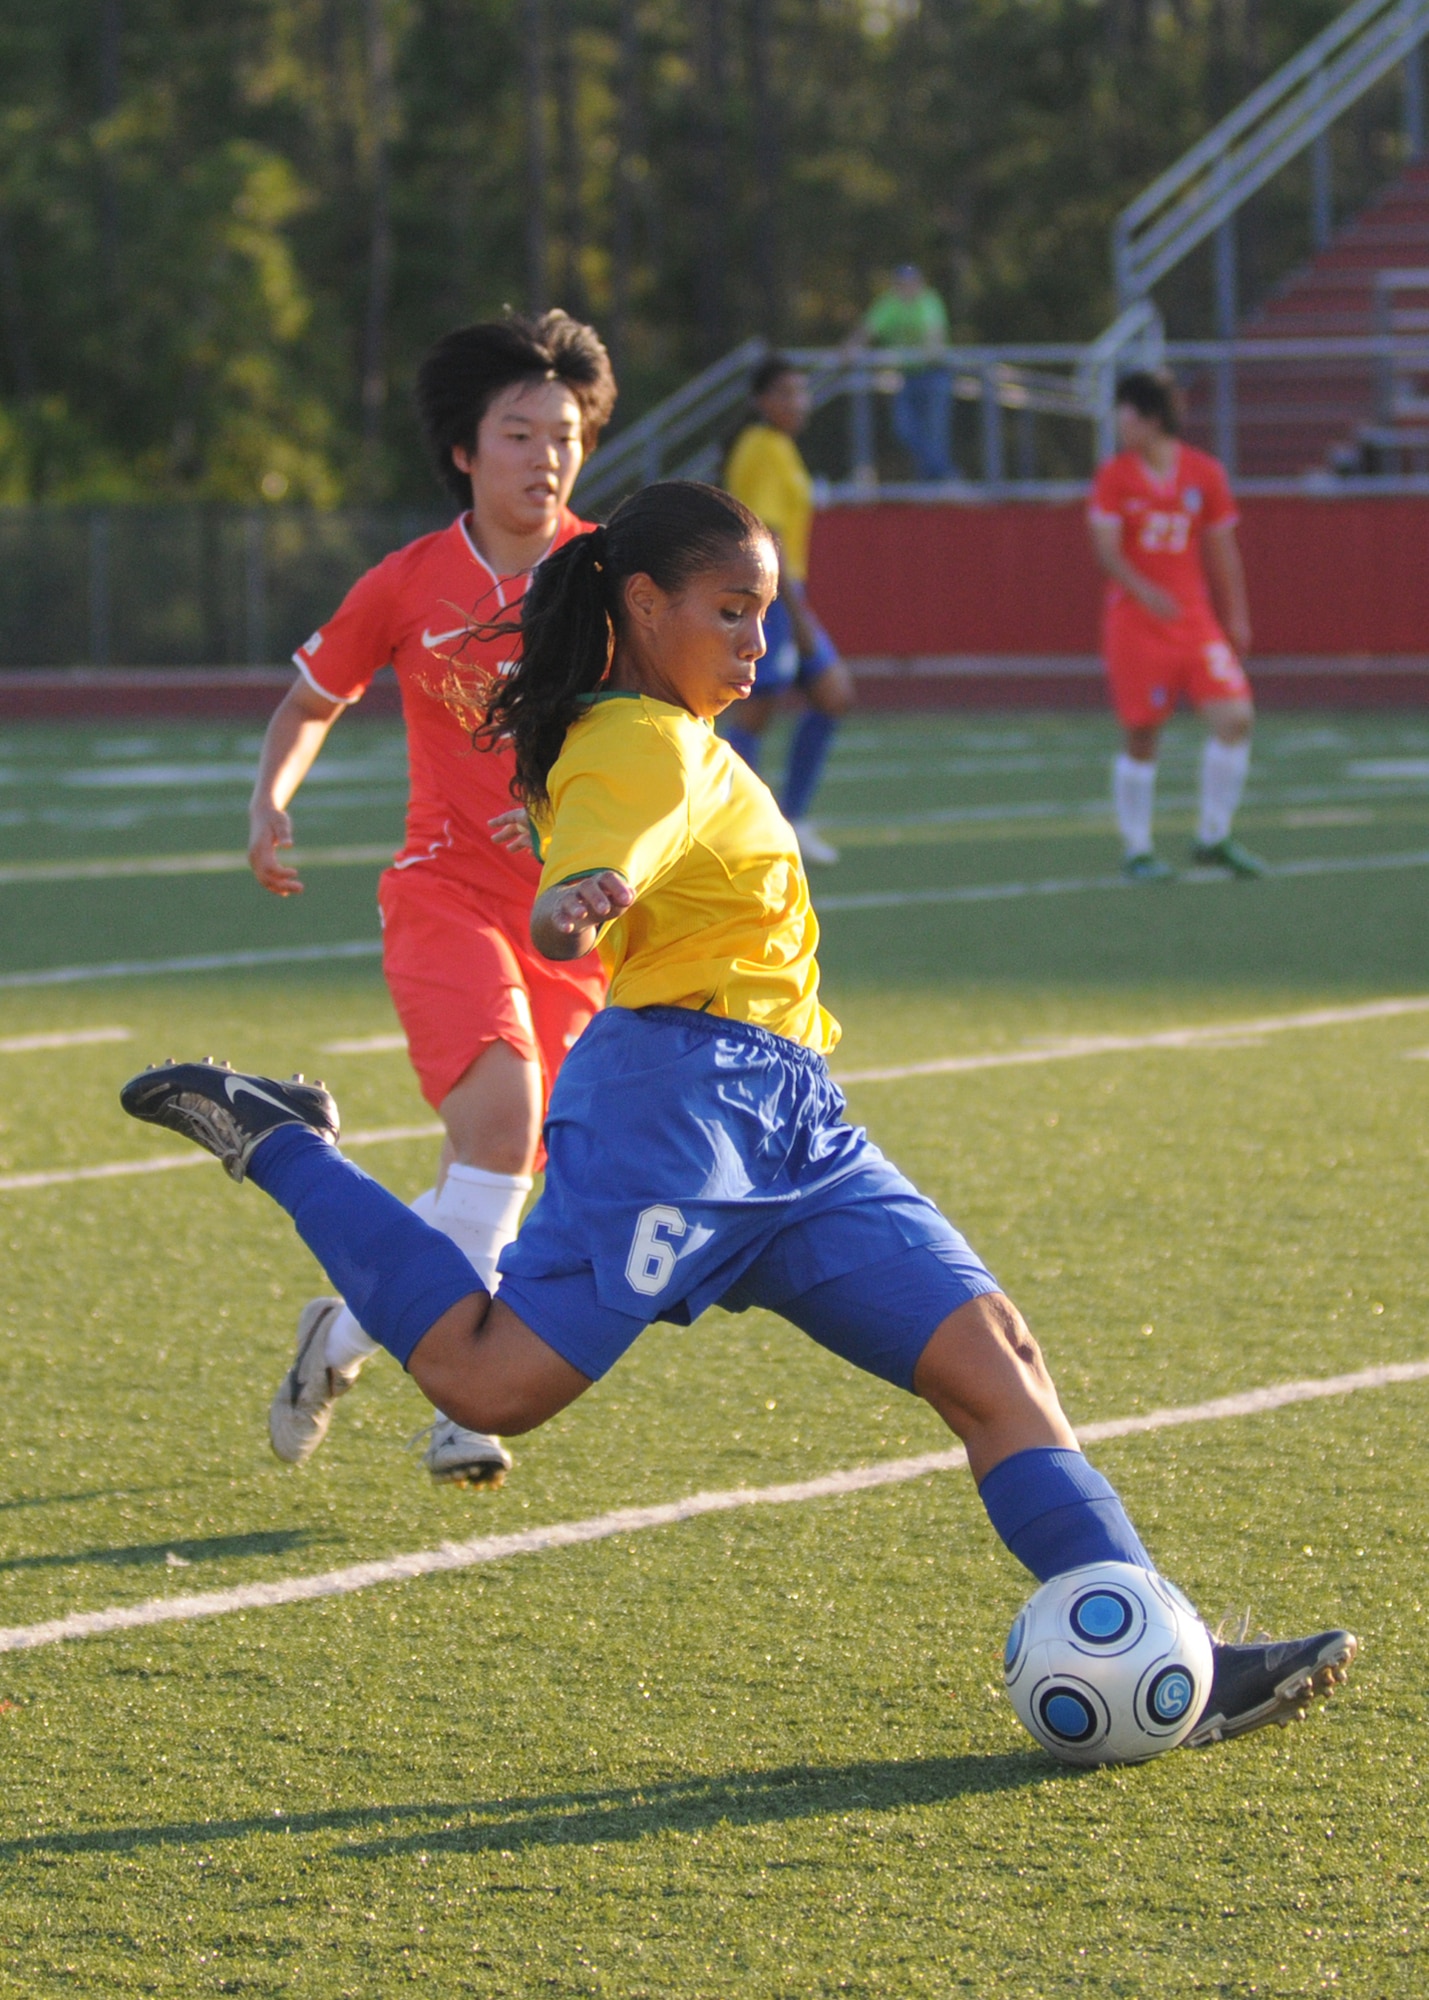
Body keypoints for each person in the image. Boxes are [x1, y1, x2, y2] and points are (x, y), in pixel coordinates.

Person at [126, 478, 1354, 1753]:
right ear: (642, 605)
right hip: (681, 1112)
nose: (757, 642)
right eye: (730, 611)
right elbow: (601, 860)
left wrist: (580, 875)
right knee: (488, 1383)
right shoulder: (634, 744)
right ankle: (279, 1138)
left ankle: (1178, 1654)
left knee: (995, 1359)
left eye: (764, 613)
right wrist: (573, 900)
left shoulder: (670, 733)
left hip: (799, 1123)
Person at [244, 310, 616, 1487]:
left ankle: (343, 1333)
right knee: (502, 1126)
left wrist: (568, 818)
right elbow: (312, 699)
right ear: (467, 447)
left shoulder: (613, 577)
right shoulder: (409, 580)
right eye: (519, 432)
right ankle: (465, 1397)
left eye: (564, 434)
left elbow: (667, 740)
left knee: (514, 1171)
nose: (544, 455)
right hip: (444, 895)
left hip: (573, 916)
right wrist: (270, 805)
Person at [1089, 371, 1263, 882]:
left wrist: (1237, 615)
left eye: (1127, 412)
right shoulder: (1114, 477)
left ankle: (1213, 834)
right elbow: (1106, 549)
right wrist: (1144, 591)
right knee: (1142, 734)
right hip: (1135, 623)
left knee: (1236, 717)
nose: (1120, 422)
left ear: (1152, 418)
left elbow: (1222, 550)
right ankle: (1137, 849)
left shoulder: (1204, 474)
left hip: (1193, 621)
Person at [722, 355, 855, 865]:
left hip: (784, 594)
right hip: (770, 596)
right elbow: (766, 537)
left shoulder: (777, 447)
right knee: (754, 714)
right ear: (761, 401)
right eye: (785, 393)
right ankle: (736, 829)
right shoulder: (763, 448)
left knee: (834, 694)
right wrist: (794, 617)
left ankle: (792, 820)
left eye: (802, 393)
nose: (797, 403)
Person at [852, 264, 953, 482]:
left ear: (920, 283)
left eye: (911, 282)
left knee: (935, 433)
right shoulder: (890, 303)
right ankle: (944, 477)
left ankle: (936, 483)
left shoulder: (928, 300)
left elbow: (934, 335)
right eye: (902, 283)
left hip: (934, 375)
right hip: (908, 377)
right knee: (904, 430)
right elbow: (866, 330)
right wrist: (848, 350)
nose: (906, 288)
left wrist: (930, 349)